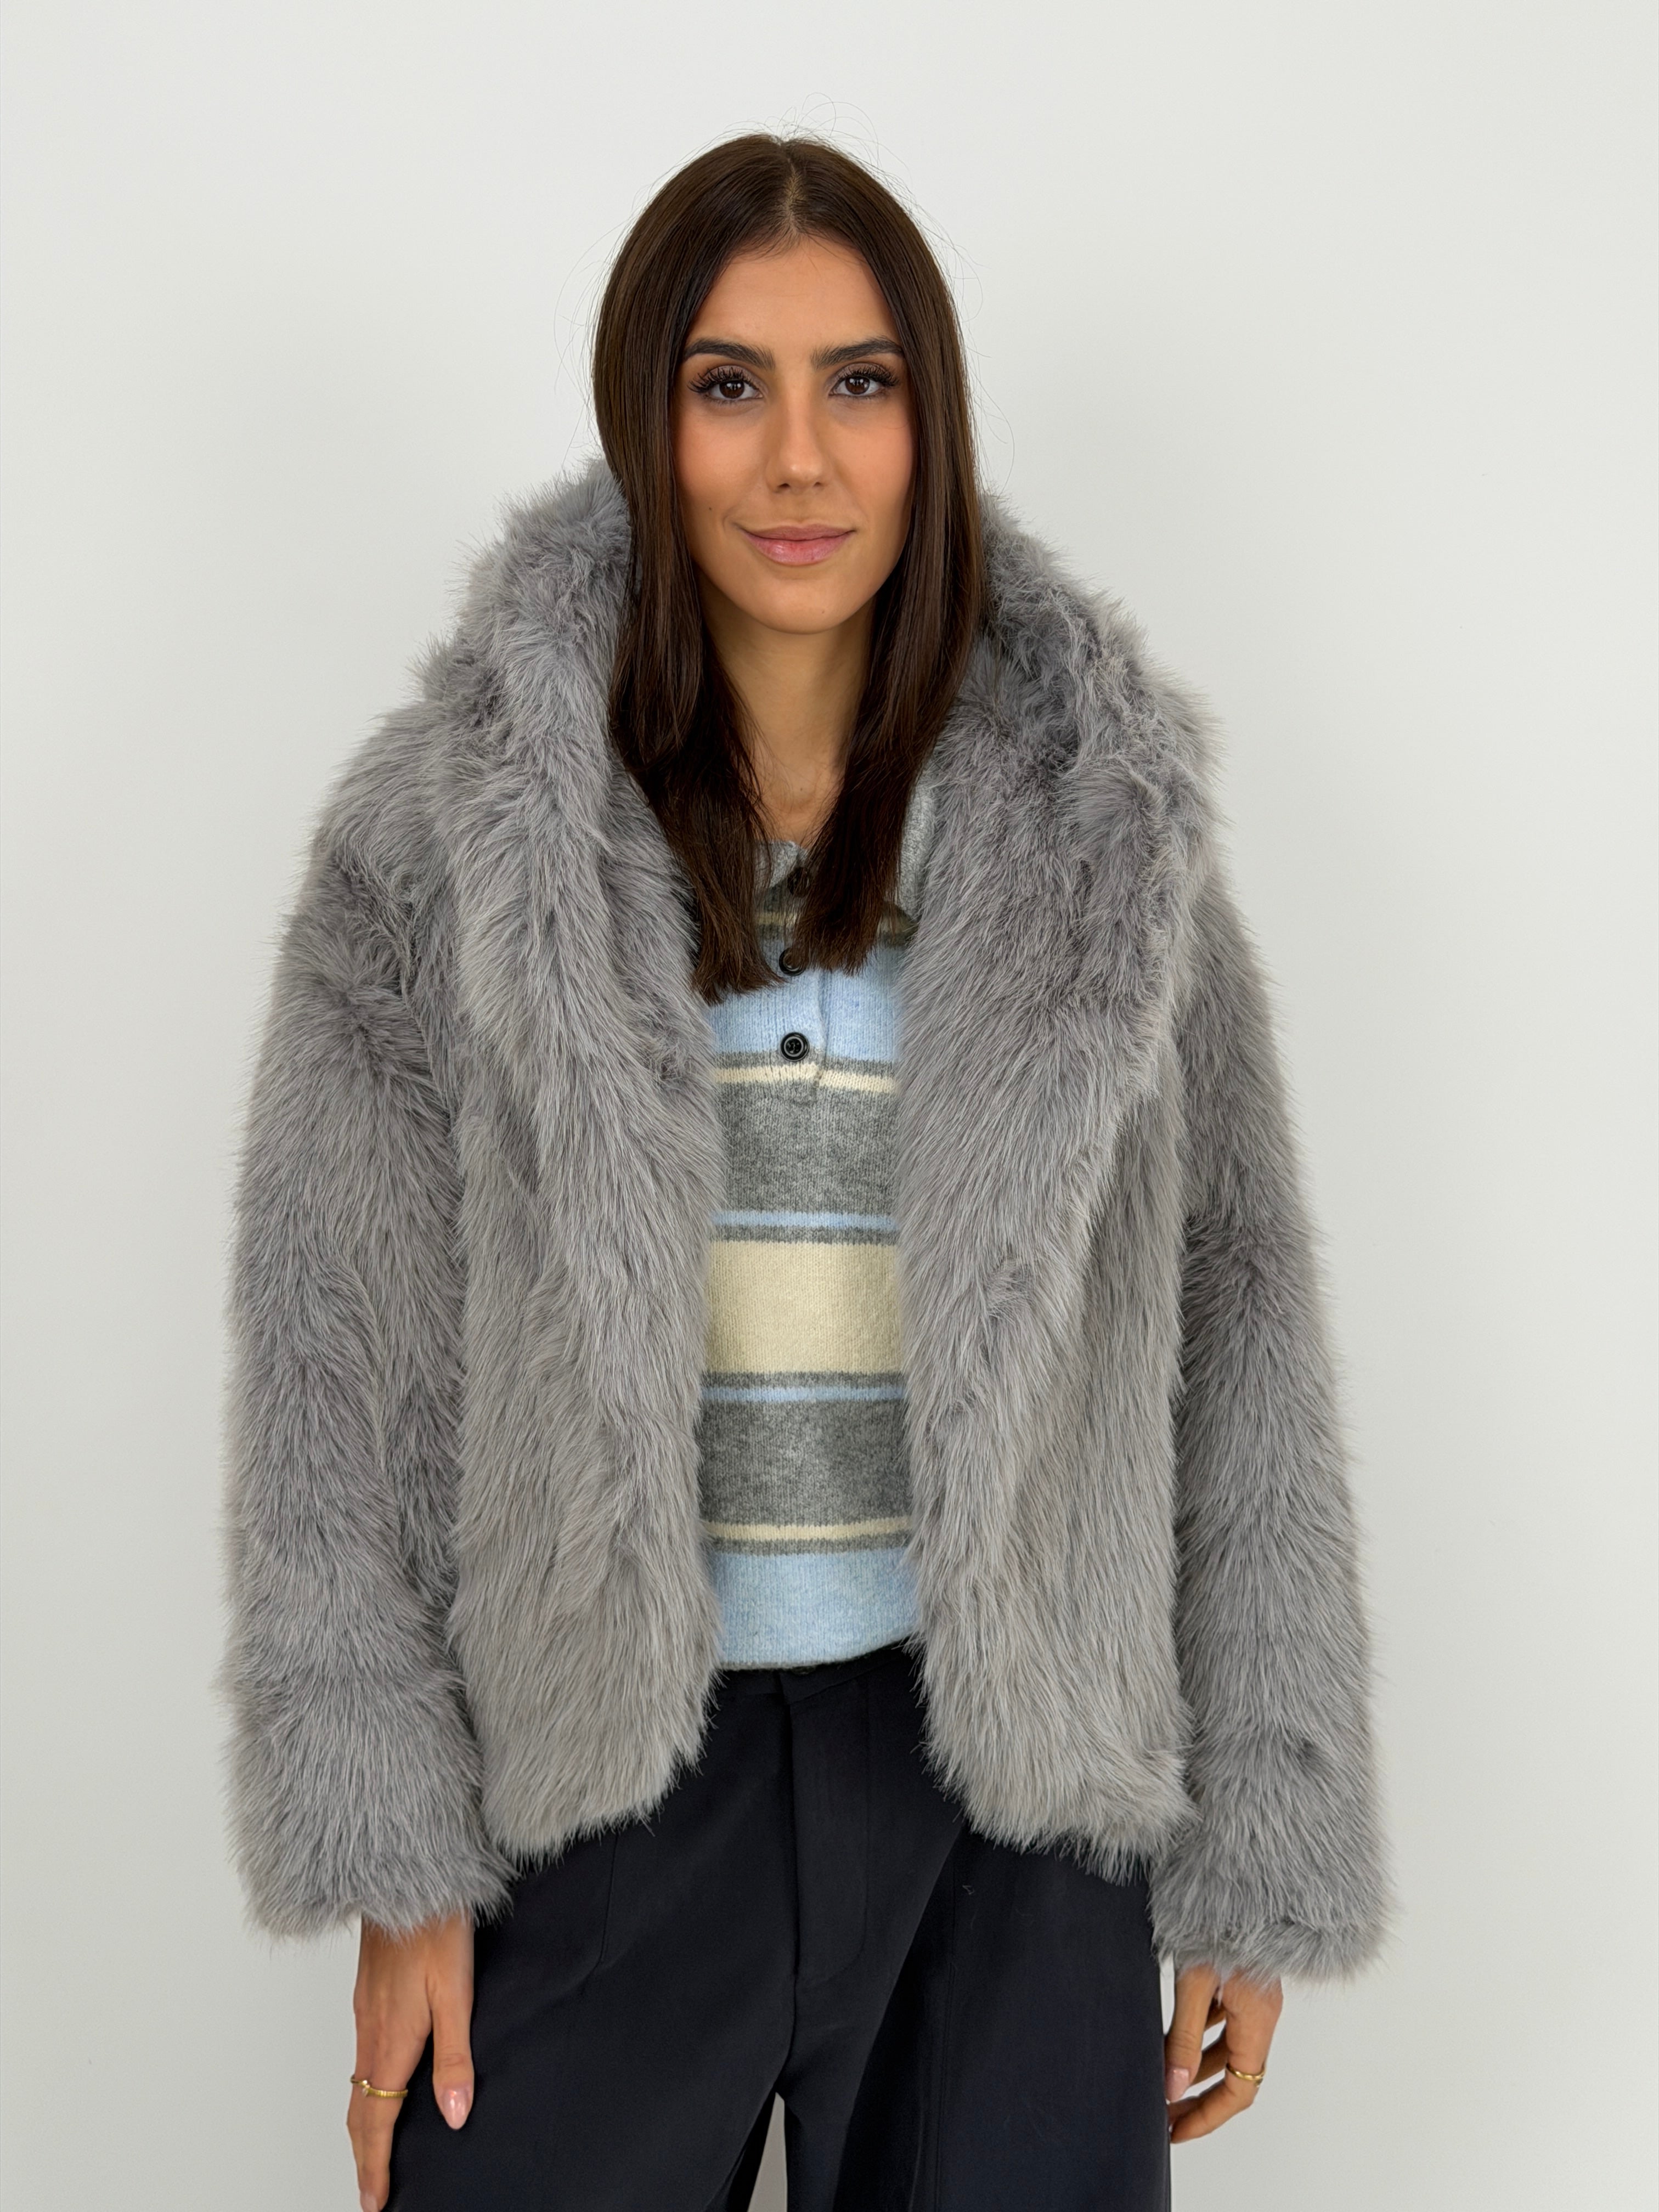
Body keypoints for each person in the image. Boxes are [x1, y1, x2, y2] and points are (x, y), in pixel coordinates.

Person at [222, 133, 1389, 2212]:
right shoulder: (451, 840)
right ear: (644, 417)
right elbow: (336, 1363)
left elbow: (1239, 1324)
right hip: (602, 1795)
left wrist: (1260, 1831)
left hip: (1005, 1807)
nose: (798, 457)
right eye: (726, 384)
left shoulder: (1101, 837)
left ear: (931, 422)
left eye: (860, 382)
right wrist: (399, 1857)